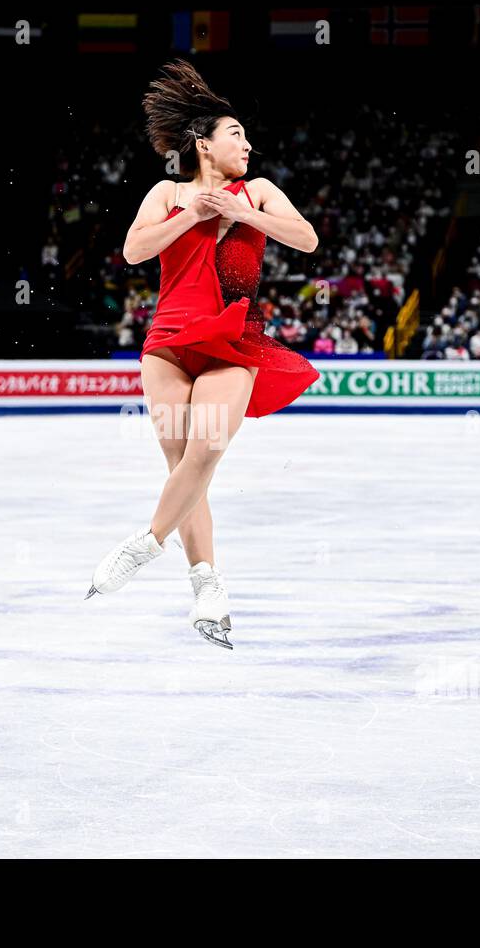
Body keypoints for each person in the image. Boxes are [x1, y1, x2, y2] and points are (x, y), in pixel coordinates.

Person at [85, 60, 320, 649]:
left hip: (232, 342)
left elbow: (308, 238)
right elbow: (135, 250)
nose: (249, 144)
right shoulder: (167, 191)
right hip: (168, 343)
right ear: (203, 144)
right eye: (237, 134)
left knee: (205, 452)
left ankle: (144, 544)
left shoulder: (259, 191)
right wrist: (193, 212)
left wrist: (243, 212)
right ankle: (207, 585)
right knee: (182, 469)